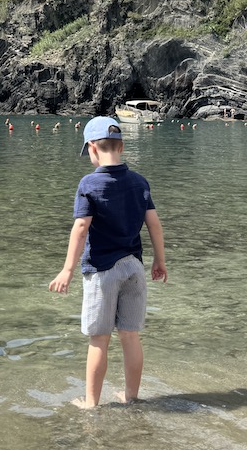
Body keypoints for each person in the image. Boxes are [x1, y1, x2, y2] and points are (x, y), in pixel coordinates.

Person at [49, 115, 167, 408]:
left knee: (99, 339)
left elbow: (80, 228)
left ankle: (91, 403)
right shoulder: (139, 181)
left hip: (103, 271)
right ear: (122, 146)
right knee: (130, 336)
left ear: (91, 148)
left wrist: (67, 270)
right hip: (134, 268)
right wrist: (159, 261)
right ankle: (131, 397)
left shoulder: (89, 183)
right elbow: (154, 224)